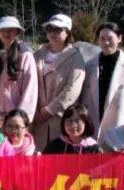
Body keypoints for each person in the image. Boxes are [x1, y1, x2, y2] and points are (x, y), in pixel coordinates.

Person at [81, 22, 124, 139]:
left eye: (110, 38)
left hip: (119, 125)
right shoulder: (89, 65)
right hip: (92, 125)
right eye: (102, 38)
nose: (106, 42)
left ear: (119, 38)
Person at [32, 14, 86, 147]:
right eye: (49, 29)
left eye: (58, 29)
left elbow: (72, 90)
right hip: (36, 117)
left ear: (67, 32)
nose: (52, 33)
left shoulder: (75, 57)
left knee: (59, 153)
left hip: (61, 118)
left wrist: (49, 110)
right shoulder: (37, 54)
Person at [0, 16, 38, 120]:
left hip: (15, 116)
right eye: (2, 30)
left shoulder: (25, 55)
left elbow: (30, 88)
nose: (6, 33)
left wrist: (21, 116)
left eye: (11, 30)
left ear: (17, 32)